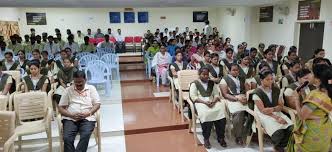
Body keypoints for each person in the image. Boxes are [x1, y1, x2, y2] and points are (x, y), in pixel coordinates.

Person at [287, 64, 332, 152]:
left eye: (311, 73)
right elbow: (317, 110)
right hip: (324, 128)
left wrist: (296, 99)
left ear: (318, 79)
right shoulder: (328, 91)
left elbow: (302, 116)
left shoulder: (315, 94)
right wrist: (304, 95)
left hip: (312, 131)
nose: (309, 76)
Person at [58, 71, 101, 152]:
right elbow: (60, 108)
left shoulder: (91, 89)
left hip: (88, 118)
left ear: (85, 80)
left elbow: (97, 104)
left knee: (85, 134)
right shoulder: (68, 90)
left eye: (81, 82)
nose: (78, 84)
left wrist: (88, 113)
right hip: (70, 118)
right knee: (67, 138)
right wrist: (71, 115)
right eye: (76, 82)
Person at [251, 70, 293, 152]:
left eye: (271, 79)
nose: (270, 81)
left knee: (291, 128)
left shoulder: (276, 90)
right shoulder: (257, 93)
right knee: (278, 132)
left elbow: (280, 106)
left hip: (275, 112)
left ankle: (279, 147)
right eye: (268, 79)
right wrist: (276, 116)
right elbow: (263, 110)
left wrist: (274, 109)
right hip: (263, 115)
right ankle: (277, 147)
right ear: (261, 80)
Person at [189, 67, 227, 149]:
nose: (206, 76)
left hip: (212, 101)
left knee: (221, 112)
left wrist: (213, 101)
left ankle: (221, 137)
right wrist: (204, 102)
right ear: (199, 75)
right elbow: (193, 97)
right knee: (206, 113)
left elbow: (216, 94)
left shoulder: (211, 83)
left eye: (207, 74)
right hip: (200, 103)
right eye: (203, 74)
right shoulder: (194, 84)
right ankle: (206, 138)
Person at [219, 63, 248, 145]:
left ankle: (251, 131)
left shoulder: (242, 78)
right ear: (229, 70)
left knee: (254, 109)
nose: (236, 72)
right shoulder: (225, 79)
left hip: (243, 98)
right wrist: (237, 98)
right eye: (233, 70)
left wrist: (246, 97)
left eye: (237, 70)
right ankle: (238, 136)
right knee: (239, 112)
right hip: (232, 99)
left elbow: (247, 90)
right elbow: (225, 94)